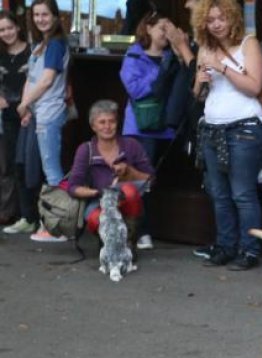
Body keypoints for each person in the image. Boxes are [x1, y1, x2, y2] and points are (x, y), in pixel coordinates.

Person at [192, 0, 262, 271]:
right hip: (212, 128)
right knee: (219, 193)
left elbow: (254, 86)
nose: (216, 24)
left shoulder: (249, 44)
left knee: (242, 194)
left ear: (233, 18)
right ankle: (226, 246)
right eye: (211, 19)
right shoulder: (205, 47)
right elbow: (198, 95)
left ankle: (249, 250)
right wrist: (201, 83)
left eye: (221, 18)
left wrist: (223, 67)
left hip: (244, 128)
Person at [6, 0, 69, 242]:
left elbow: (46, 81)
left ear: (55, 16)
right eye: (36, 15)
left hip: (49, 113)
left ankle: (57, 227)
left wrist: (23, 105)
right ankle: (49, 223)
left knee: (52, 171)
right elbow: (31, 78)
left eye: (45, 14)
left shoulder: (54, 44)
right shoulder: (42, 44)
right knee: (42, 168)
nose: (41, 19)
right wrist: (28, 108)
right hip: (38, 112)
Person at [120, 11, 183, 250]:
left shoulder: (172, 56)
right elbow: (135, 89)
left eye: (169, 29)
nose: (166, 33)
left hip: (165, 128)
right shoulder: (134, 54)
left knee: (156, 181)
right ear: (147, 28)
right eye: (162, 28)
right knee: (140, 181)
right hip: (140, 128)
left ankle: (148, 228)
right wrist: (161, 74)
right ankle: (141, 231)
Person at [67, 100, 153, 240]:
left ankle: (129, 237)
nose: (107, 126)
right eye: (102, 122)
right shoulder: (85, 149)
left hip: (128, 205)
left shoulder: (131, 145)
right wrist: (98, 192)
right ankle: (111, 241)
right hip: (99, 203)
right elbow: (73, 187)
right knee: (96, 219)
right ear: (93, 125)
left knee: (129, 191)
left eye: (111, 121)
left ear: (117, 123)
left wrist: (130, 172)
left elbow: (151, 179)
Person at [0, 11, 30, 228]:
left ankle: (27, 214)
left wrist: (26, 106)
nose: (7, 33)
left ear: (18, 28)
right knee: (6, 164)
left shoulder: (32, 52)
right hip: (4, 116)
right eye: (1, 30)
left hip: (27, 114)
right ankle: (7, 212)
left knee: (25, 164)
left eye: (9, 28)